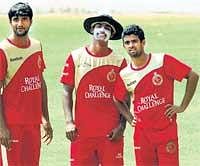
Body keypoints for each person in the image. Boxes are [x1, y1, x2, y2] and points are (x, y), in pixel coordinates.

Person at [113, 24, 199, 166]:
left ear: (143, 42)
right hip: (142, 135)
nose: (131, 45)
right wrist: (129, 117)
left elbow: (193, 76)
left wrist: (182, 106)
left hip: (166, 132)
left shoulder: (162, 61)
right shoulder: (125, 74)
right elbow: (117, 98)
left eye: (134, 41)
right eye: (127, 43)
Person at [60, 15, 127, 166]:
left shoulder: (119, 61)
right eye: (99, 26)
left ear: (112, 34)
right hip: (81, 134)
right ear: (92, 29)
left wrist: (121, 127)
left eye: (108, 28)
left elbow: (125, 99)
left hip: (111, 134)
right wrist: (69, 122)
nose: (103, 30)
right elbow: (66, 91)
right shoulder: (75, 57)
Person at [0, 2, 53, 166]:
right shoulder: (3, 50)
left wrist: (45, 118)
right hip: (12, 124)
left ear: (30, 21)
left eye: (24, 19)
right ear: (10, 22)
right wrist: (2, 127)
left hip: (33, 123)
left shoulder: (37, 46)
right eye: (16, 19)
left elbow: (40, 83)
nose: (20, 23)